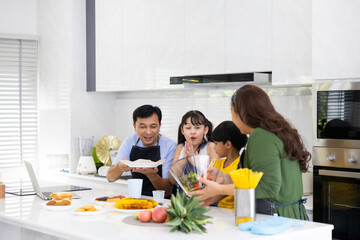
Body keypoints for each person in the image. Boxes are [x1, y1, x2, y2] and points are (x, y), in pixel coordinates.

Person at [189, 85, 311, 220]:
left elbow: (266, 187)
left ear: (242, 113)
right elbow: (255, 177)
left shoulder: (261, 136)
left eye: (231, 111)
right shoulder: (274, 132)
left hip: (275, 220)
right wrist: (223, 176)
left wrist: (218, 189)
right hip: (289, 217)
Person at [107, 105, 177, 197]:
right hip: (138, 199)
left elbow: (167, 191)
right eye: (143, 127)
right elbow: (110, 178)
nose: (148, 132)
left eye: (153, 126)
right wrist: (120, 167)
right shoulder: (129, 141)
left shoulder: (170, 146)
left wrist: (152, 175)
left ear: (159, 126)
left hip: (163, 203)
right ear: (134, 126)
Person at [211, 121, 247, 209]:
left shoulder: (241, 165)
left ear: (228, 144)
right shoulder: (217, 163)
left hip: (233, 212)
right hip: (217, 209)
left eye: (216, 144)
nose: (214, 147)